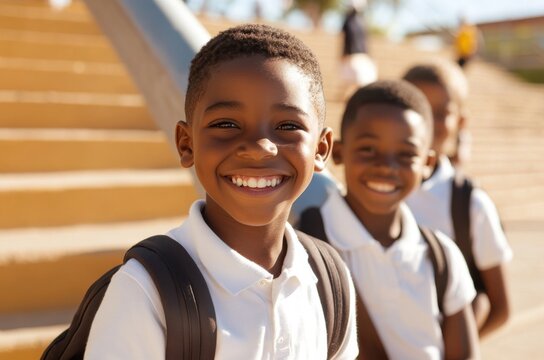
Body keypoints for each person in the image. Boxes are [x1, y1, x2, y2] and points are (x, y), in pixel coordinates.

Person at [85, 24, 358, 359]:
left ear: (321, 149)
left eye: (288, 126)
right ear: (186, 145)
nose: (259, 148)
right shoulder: (145, 292)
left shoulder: (329, 278)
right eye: (226, 124)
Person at [298, 80, 480, 359]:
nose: (385, 166)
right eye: (368, 149)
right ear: (337, 152)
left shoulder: (442, 255)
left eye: (406, 154)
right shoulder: (300, 252)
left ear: (427, 164)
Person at [403, 61, 512, 338]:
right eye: (417, 108)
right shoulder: (369, 189)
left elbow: (499, 306)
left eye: (441, 113)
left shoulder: (469, 204)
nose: (426, 121)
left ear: (461, 122)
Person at [339, 0, 377, 99]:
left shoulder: (349, 21)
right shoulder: (362, 21)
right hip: (360, 56)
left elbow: (347, 39)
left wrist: (343, 54)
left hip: (354, 56)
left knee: (352, 83)